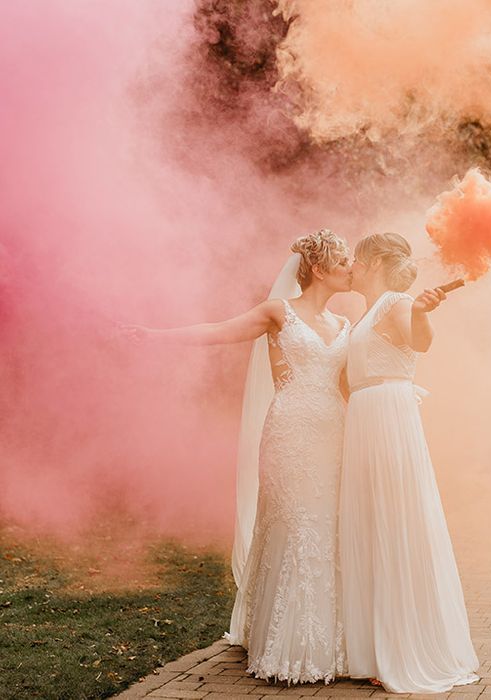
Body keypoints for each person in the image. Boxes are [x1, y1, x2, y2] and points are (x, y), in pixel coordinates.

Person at [124, 229, 352, 683]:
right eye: (344, 261)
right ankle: (285, 645)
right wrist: (154, 335)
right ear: (321, 269)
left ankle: (328, 643)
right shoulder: (277, 313)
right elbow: (218, 332)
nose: (352, 268)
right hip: (290, 432)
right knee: (294, 525)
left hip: (334, 433)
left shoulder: (346, 326)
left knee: (327, 528)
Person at [339, 232, 479, 693]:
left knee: (393, 522)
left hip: (386, 415)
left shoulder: (397, 302)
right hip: (366, 415)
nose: (350, 269)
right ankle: (376, 646)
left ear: (374, 262)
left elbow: (420, 343)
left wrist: (421, 313)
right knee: (371, 524)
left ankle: (403, 648)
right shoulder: (366, 311)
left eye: (356, 261)